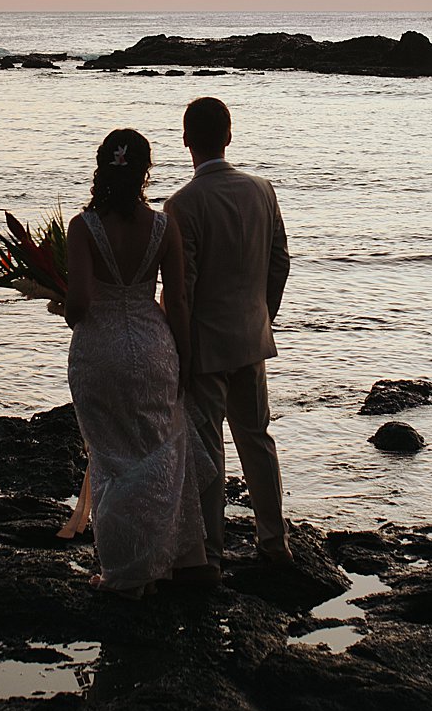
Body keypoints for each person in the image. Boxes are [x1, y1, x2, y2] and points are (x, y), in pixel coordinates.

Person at [59, 128, 207, 593]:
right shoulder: (164, 226)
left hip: (99, 353)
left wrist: (65, 308)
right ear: (145, 171)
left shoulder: (84, 227)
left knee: (111, 460)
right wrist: (182, 357)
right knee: (157, 454)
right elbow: (177, 301)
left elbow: (80, 301)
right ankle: (164, 559)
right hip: (153, 348)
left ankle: (124, 572)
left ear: (102, 167)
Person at [165, 97, 291, 570]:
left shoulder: (182, 204)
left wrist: (178, 347)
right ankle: (274, 541)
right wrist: (265, 314)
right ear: (229, 136)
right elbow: (280, 261)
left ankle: (212, 552)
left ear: (185, 141)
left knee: (209, 446)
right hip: (252, 336)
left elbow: (184, 286)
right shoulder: (262, 189)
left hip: (205, 345)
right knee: (256, 439)